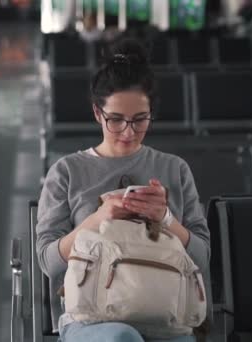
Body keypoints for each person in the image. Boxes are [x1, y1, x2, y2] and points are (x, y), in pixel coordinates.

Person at [35, 39, 210, 342]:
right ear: (97, 113)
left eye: (140, 119)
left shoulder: (175, 169)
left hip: (165, 313)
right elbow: (49, 263)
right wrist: (96, 220)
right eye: (115, 120)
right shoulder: (67, 172)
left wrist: (166, 219)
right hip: (92, 319)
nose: (128, 132)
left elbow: (202, 257)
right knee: (122, 337)